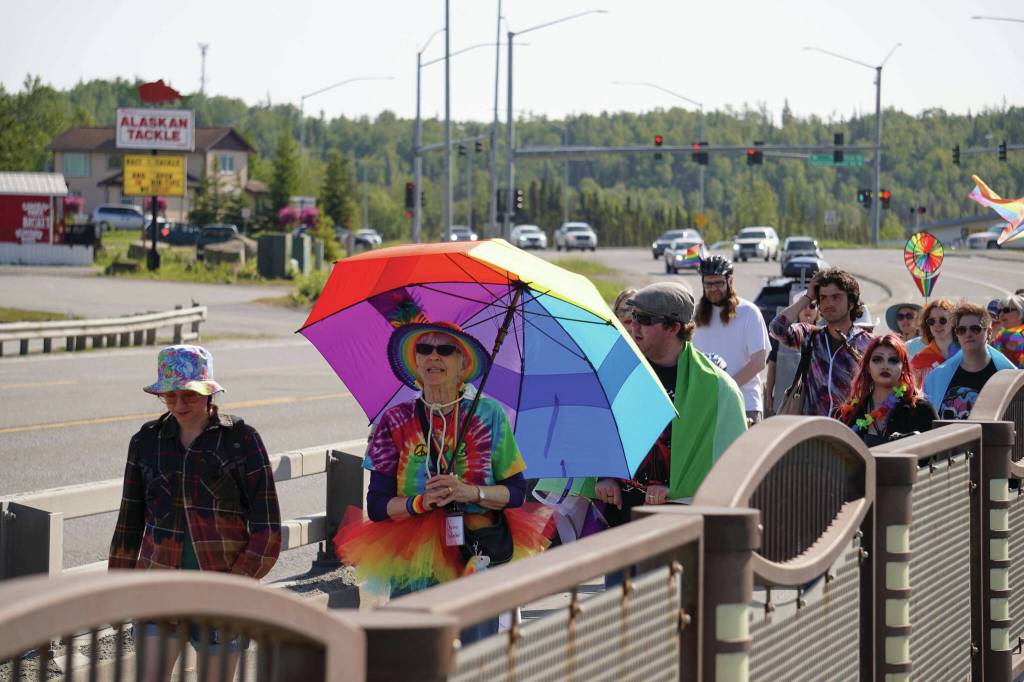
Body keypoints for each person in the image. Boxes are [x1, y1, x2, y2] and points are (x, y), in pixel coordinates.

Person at [333, 318, 551, 639]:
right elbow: (377, 505)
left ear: (463, 364)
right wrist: (420, 502)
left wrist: (470, 493)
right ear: (416, 361)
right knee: (414, 651)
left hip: (476, 551)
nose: (434, 357)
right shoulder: (394, 420)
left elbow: (516, 492)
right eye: (425, 349)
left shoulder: (488, 415)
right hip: (412, 556)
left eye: (445, 350)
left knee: (478, 651)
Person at [109, 345, 281, 682]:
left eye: (188, 394)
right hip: (157, 589)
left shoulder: (241, 440)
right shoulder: (146, 441)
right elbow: (128, 523)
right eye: (169, 396)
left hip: (221, 590)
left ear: (208, 392)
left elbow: (268, 529)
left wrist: (237, 582)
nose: (179, 405)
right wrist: (117, 587)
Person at [593, 282, 747, 526]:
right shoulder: (618, 370)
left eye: (645, 319)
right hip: (616, 513)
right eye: (633, 317)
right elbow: (602, 431)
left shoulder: (718, 388)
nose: (634, 326)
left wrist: (676, 489)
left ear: (673, 327)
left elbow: (730, 466)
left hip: (677, 520)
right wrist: (604, 476)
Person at [769, 268, 873, 416]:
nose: (828, 303)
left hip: (851, 432)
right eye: (823, 298)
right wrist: (807, 297)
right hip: (813, 431)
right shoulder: (810, 336)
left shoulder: (868, 344)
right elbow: (777, 328)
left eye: (836, 297)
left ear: (851, 303)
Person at [693, 256, 772, 423]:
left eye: (719, 283)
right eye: (708, 284)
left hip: (744, 404)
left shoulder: (749, 312)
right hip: (704, 407)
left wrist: (726, 389)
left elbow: (758, 361)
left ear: (730, 281)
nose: (713, 289)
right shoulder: (695, 315)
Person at [836, 334, 936, 447]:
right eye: (877, 359)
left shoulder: (920, 410)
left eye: (893, 360)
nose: (885, 366)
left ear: (903, 368)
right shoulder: (852, 411)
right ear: (868, 367)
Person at [924, 301, 1016, 420]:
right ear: (957, 334)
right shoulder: (937, 377)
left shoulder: (1007, 375)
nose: (968, 334)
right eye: (962, 330)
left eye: (975, 329)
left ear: (988, 332)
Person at [765, 290, 819, 415]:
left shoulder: (824, 335)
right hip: (791, 400)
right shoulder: (785, 336)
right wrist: (769, 394)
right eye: (803, 306)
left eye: (812, 306)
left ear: (818, 311)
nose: (808, 310)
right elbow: (772, 366)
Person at [910, 298, 958, 385]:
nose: (937, 325)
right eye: (931, 321)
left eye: (942, 320)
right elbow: (913, 392)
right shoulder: (920, 359)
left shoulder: (966, 352)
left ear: (953, 321)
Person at [992, 294, 1024, 367]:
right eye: (999, 311)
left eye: (1006, 310)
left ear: (1020, 312)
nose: (1001, 314)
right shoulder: (995, 342)